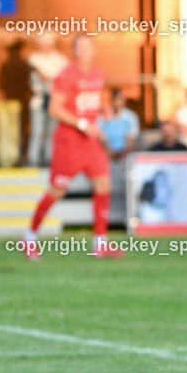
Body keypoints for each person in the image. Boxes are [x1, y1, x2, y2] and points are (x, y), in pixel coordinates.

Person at [23, 34, 123, 260]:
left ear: (94, 49)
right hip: (69, 141)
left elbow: (89, 101)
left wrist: (102, 110)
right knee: (58, 190)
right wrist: (81, 123)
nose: (84, 51)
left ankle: (100, 243)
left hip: (90, 141)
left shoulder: (97, 72)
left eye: (88, 46)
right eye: (80, 47)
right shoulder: (67, 75)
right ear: (74, 51)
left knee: (103, 184)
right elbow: (55, 109)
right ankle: (29, 237)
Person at [27, 33, 69, 166]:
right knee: (38, 131)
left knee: (52, 132)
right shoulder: (34, 58)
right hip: (39, 100)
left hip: (54, 100)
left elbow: (61, 78)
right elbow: (40, 75)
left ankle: (49, 159)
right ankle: (33, 159)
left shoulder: (61, 60)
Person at [100, 88, 140, 160]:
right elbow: (101, 137)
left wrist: (124, 153)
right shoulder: (103, 116)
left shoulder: (131, 116)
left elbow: (131, 137)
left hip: (125, 156)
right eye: (116, 99)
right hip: (107, 156)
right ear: (112, 100)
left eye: (121, 99)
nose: (118, 102)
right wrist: (109, 152)